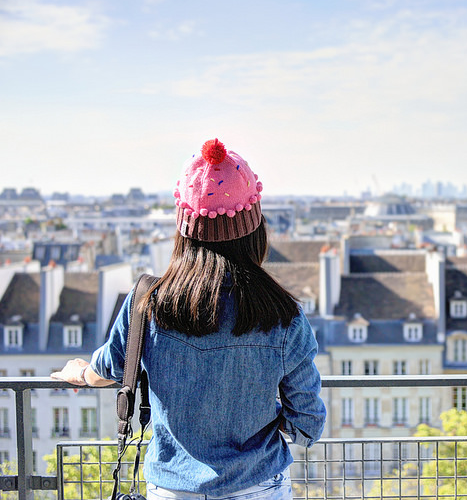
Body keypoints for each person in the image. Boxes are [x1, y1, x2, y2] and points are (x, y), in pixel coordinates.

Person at [52, 138, 326, 500]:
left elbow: (109, 368)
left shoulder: (147, 303)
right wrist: (253, 409)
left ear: (183, 232)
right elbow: (307, 421)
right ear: (255, 231)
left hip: (173, 486)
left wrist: (80, 373)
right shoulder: (284, 315)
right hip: (256, 484)